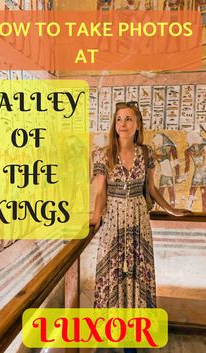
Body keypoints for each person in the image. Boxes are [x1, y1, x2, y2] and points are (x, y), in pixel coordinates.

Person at [90, 101, 190, 353]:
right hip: (113, 220)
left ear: (137, 125)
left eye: (128, 119)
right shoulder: (103, 154)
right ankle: (112, 334)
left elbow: (152, 189)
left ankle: (132, 338)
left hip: (137, 220)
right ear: (115, 125)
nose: (123, 124)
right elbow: (100, 192)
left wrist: (171, 209)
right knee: (113, 274)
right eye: (119, 119)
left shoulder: (145, 153)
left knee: (137, 275)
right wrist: (95, 216)